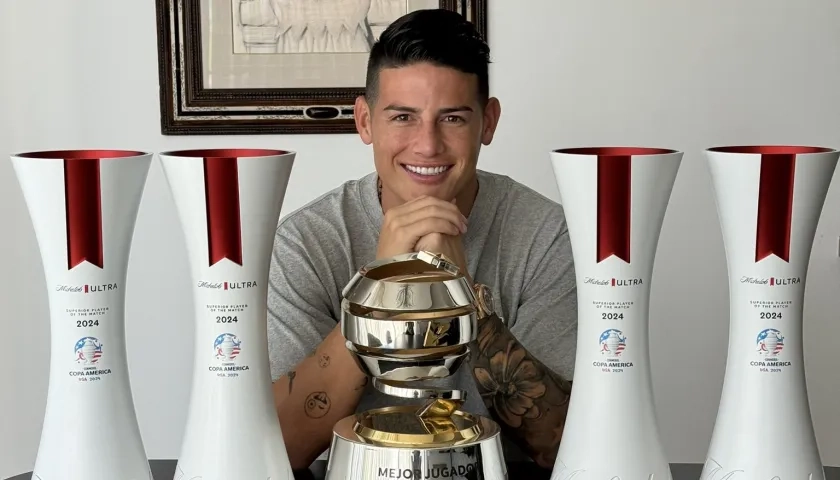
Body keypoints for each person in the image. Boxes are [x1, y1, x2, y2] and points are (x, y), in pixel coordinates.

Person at [266, 8, 577, 470]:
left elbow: (569, 444)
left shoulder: (545, 235)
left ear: (487, 123)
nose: (427, 145)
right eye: (403, 117)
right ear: (365, 121)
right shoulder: (305, 242)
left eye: (452, 118)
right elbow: (278, 449)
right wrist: (379, 289)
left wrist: (463, 296)